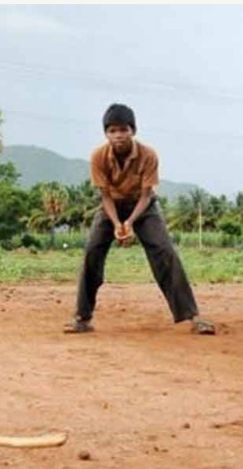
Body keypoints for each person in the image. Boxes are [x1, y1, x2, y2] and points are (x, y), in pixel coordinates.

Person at [64, 103, 216, 335]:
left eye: (123, 130)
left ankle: (193, 316)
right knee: (92, 251)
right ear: (106, 133)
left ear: (133, 130)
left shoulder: (148, 155)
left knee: (165, 252)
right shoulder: (98, 157)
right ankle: (82, 317)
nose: (118, 136)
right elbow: (104, 196)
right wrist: (116, 224)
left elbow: (146, 195)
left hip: (143, 208)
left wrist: (130, 223)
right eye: (112, 131)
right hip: (111, 207)